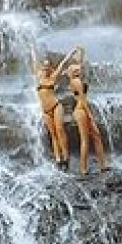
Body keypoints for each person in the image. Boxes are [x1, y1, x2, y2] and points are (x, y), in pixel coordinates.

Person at [31, 45, 77, 170]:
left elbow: (62, 63)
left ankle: (66, 157)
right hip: (45, 110)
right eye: (44, 66)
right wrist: (31, 48)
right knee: (53, 134)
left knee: (60, 131)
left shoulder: (53, 77)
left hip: (56, 106)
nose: (45, 68)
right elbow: (34, 59)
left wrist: (71, 53)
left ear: (50, 68)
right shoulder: (39, 76)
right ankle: (58, 159)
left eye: (47, 66)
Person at [67, 45, 110, 175]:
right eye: (75, 70)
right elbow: (83, 100)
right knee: (85, 139)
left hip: (83, 110)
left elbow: (80, 63)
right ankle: (83, 168)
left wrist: (81, 51)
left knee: (96, 136)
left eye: (78, 69)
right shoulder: (76, 82)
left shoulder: (78, 78)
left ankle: (103, 164)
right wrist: (90, 116)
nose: (78, 70)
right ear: (71, 73)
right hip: (81, 111)